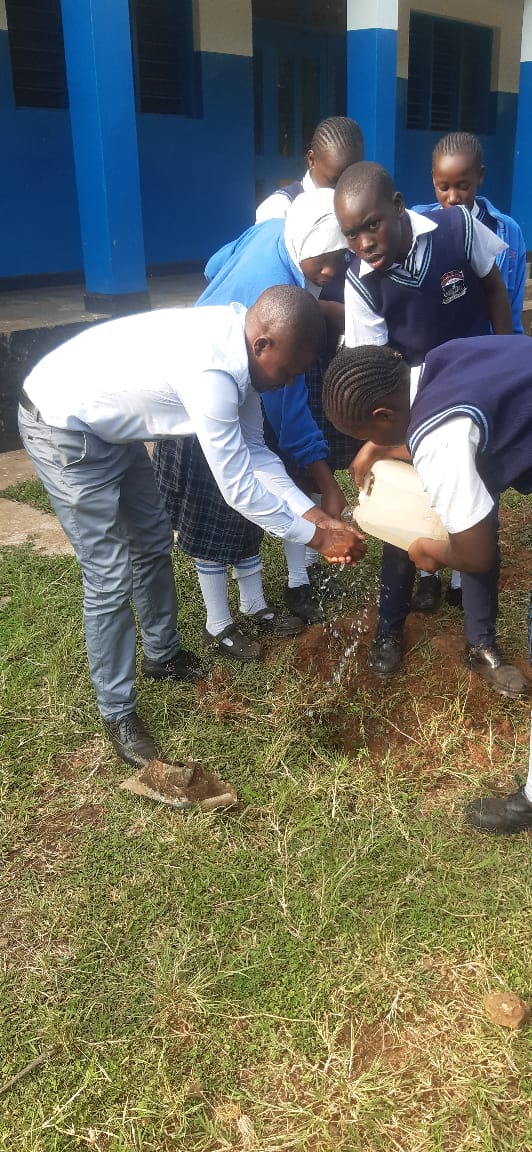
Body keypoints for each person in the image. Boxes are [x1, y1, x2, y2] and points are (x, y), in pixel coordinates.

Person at [18, 287, 365, 769]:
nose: (287, 383)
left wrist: (313, 516)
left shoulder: (243, 353)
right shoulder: (214, 374)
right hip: (63, 426)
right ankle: (117, 711)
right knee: (109, 574)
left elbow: (255, 452)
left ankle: (162, 656)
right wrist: (320, 538)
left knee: (154, 543)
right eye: (286, 371)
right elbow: (238, 488)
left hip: (110, 429)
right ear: (263, 344)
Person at [322, 336, 532, 835]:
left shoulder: (441, 439)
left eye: (361, 433)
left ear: (381, 414)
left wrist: (430, 550)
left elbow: (478, 555)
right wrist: (380, 443)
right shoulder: (441, 359)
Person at [334, 161, 526, 699]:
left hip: (476, 388)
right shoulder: (361, 282)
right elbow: (370, 365)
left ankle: (480, 640)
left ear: (398, 205)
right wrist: (382, 439)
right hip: (406, 400)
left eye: (372, 224)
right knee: (406, 512)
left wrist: (507, 345)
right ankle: (389, 627)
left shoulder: (459, 228)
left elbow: (493, 287)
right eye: (351, 234)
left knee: (475, 511)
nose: (364, 242)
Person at [152, 189, 359, 661]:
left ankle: (252, 604)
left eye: (339, 260)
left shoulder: (273, 236)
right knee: (214, 525)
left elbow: (214, 265)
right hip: (194, 412)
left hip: (227, 381)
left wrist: (313, 515)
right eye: (323, 261)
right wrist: (320, 523)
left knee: (248, 519)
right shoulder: (259, 354)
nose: (330, 273)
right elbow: (277, 428)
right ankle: (217, 623)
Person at [410, 130, 527, 613]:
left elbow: (508, 296)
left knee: (478, 474)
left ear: (480, 177)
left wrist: (504, 354)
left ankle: (466, 573)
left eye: (462, 185)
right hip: (436, 373)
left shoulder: (509, 231)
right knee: (433, 475)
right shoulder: (420, 226)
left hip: (485, 374)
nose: (452, 197)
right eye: (442, 186)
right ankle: (426, 572)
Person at [255, 116, 364, 223]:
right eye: (334, 181)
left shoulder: (364, 206)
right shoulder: (278, 210)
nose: (343, 191)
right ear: (311, 159)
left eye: (352, 181)